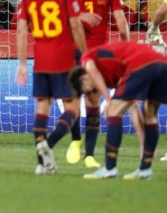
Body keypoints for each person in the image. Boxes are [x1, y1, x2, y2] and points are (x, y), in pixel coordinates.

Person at [16, 0, 87, 175]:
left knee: (42, 109)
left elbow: (20, 30)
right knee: (73, 108)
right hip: (64, 59)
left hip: (40, 61)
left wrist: (21, 64)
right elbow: (76, 25)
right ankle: (50, 144)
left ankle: (41, 163)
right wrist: (84, 56)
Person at [65, 0, 137, 168]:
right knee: (71, 102)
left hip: (96, 57)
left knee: (93, 101)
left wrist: (126, 44)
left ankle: (89, 155)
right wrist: (80, 16)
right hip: (70, 52)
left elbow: (120, 19)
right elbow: (57, 18)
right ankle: (76, 140)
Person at [70, 41, 167, 180]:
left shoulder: (86, 58)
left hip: (139, 64)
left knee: (113, 112)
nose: (93, 93)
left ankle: (110, 168)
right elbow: (133, 107)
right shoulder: (116, 71)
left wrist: (108, 100)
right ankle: (145, 170)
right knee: (150, 113)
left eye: (90, 90)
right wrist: (143, 143)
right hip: (162, 63)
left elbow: (91, 68)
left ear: (83, 78)